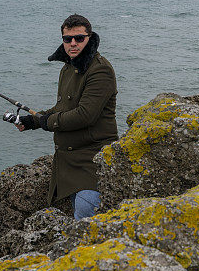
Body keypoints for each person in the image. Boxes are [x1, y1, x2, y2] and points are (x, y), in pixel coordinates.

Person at [9, 14, 118, 219]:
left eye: (79, 38)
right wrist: (32, 121)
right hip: (68, 162)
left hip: (91, 163)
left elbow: (85, 115)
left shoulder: (100, 69)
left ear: (90, 37)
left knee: (88, 231)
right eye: (67, 39)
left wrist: (47, 122)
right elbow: (63, 107)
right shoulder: (68, 68)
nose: (73, 43)